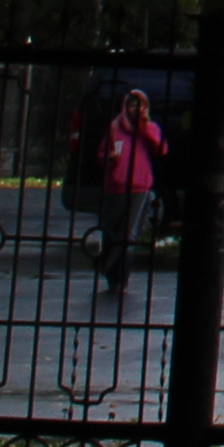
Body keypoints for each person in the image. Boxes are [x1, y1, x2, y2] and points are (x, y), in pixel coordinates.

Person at [90, 84, 170, 303]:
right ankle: (109, 273)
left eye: (139, 105)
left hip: (139, 188)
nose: (134, 109)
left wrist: (144, 127)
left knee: (128, 235)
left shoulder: (149, 127)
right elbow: (101, 154)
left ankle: (120, 278)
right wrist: (109, 159)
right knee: (111, 233)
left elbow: (161, 149)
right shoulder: (115, 127)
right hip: (114, 187)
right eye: (131, 104)